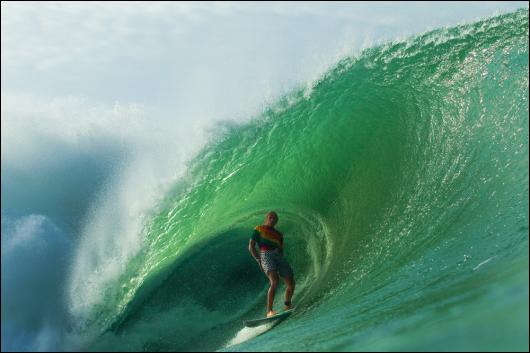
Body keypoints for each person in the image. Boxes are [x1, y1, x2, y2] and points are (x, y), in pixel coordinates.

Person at [248, 211, 295, 318]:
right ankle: (269, 311)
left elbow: (281, 250)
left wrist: (281, 260)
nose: (273, 219)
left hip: (278, 256)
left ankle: (287, 305)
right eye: (270, 217)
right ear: (266, 218)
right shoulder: (259, 229)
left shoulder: (279, 235)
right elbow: (251, 246)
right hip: (265, 255)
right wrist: (258, 259)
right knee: (274, 281)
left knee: (291, 283)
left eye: (275, 218)